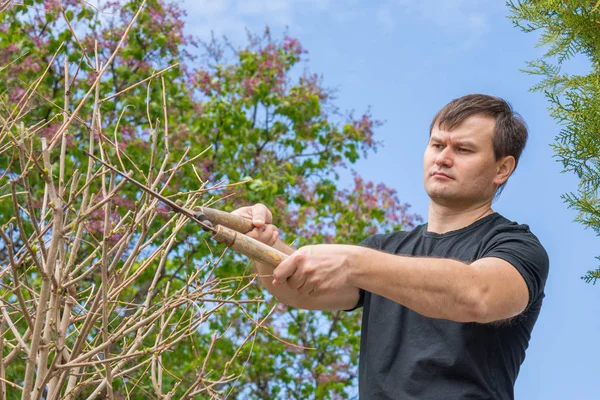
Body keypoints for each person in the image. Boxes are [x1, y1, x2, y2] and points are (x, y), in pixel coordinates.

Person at [232, 94, 549, 400]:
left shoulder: (516, 246)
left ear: (502, 169)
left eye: (464, 149)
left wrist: (353, 261)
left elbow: (478, 295)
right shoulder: (384, 248)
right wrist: (260, 242)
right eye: (437, 145)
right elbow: (300, 289)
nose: (443, 158)